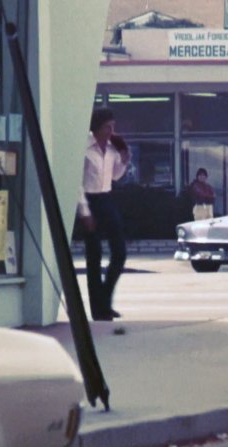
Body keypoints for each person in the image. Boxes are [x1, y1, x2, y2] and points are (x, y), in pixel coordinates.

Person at [78, 107, 130, 321]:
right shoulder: (85, 147)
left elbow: (116, 176)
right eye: (107, 126)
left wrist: (124, 159)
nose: (111, 130)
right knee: (94, 256)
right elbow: (77, 183)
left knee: (119, 252)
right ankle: (98, 310)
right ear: (97, 127)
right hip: (89, 200)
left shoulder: (112, 148)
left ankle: (105, 300)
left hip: (106, 198)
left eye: (113, 126)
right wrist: (85, 212)